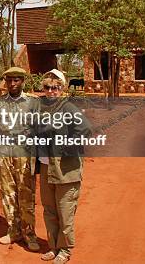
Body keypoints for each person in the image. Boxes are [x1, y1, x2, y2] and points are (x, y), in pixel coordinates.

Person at [37, 69, 92, 264]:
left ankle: (65, 250)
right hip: (46, 167)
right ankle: (53, 247)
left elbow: (85, 130)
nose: (51, 91)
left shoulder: (68, 108)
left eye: (55, 88)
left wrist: (67, 147)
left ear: (62, 89)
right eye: (47, 87)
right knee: (49, 209)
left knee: (65, 210)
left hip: (65, 170)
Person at [0, 66, 41, 251]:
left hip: (25, 154)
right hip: (4, 152)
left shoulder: (33, 103)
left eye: (16, 80)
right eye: (9, 80)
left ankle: (29, 234)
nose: (12, 83)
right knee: (7, 192)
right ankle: (13, 231)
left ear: (23, 81)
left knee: (26, 194)